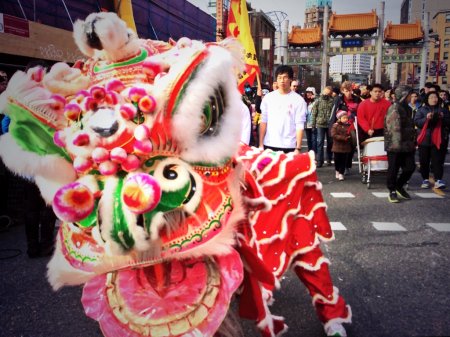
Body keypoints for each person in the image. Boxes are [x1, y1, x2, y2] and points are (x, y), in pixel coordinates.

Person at [259, 65, 307, 153]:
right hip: (269, 144)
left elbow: (299, 125)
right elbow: (263, 121)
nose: (282, 81)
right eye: (279, 77)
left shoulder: (299, 100)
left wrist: (298, 147)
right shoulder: (268, 98)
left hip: (289, 146)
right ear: (276, 79)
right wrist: (261, 144)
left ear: (290, 79)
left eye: (285, 77)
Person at [384, 85, 417, 203]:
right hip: (395, 145)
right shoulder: (395, 108)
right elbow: (394, 128)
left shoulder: (407, 108)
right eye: (409, 95)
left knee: (410, 167)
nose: (412, 97)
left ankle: (399, 186)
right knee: (393, 169)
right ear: (403, 95)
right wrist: (396, 146)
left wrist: (413, 140)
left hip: (407, 144)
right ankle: (392, 190)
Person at [414, 91, 450, 190]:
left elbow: (448, 122)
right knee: (424, 160)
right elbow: (417, 122)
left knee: (438, 161)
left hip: (439, 139)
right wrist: (426, 118)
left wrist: (442, 118)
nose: (434, 99)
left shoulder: (443, 110)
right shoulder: (421, 110)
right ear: (427, 99)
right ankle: (425, 179)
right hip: (425, 139)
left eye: (435, 97)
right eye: (431, 97)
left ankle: (438, 180)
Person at [329, 81, 362, 174]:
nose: (348, 93)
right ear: (342, 91)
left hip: (353, 125)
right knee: (340, 147)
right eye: (346, 91)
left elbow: (360, 111)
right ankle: (340, 167)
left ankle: (347, 165)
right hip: (341, 125)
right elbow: (333, 113)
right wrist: (332, 126)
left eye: (350, 90)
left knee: (351, 147)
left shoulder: (356, 99)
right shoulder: (338, 99)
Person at [312, 86, 334, 167]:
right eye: (325, 92)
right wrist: (313, 125)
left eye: (328, 93)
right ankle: (320, 160)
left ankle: (329, 159)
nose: (326, 94)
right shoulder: (318, 101)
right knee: (320, 143)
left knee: (330, 142)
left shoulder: (332, 101)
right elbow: (314, 113)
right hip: (320, 124)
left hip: (329, 124)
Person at [331, 110, 352, 181]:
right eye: (344, 118)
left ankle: (341, 173)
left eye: (346, 118)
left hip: (346, 147)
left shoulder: (349, 126)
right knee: (337, 160)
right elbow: (334, 135)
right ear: (339, 118)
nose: (346, 119)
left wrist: (350, 137)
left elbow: (352, 134)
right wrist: (343, 138)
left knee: (343, 160)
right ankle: (337, 170)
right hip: (337, 147)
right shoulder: (335, 126)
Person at [304, 87, 317, 153]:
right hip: (306, 123)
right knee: (309, 140)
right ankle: (310, 153)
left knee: (314, 140)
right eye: (307, 93)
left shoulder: (316, 101)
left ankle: (314, 153)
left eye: (310, 93)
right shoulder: (304, 101)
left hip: (314, 123)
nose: (308, 94)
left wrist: (315, 98)